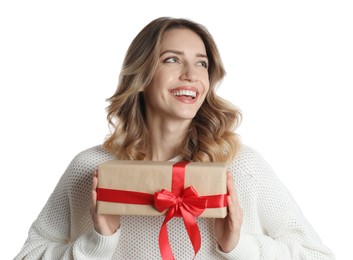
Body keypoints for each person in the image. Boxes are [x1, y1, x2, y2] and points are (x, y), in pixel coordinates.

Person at [15, 17, 334, 259]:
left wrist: (238, 246)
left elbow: (317, 255)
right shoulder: (91, 169)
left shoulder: (239, 167)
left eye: (202, 64)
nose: (192, 74)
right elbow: (29, 254)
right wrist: (99, 240)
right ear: (139, 77)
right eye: (171, 59)